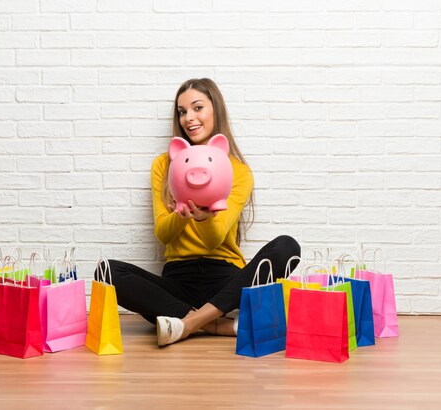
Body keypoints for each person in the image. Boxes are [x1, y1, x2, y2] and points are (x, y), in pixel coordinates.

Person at [101, 78, 301, 346]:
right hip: (178, 283)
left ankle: (189, 323)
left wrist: (206, 218)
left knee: (287, 246)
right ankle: (217, 325)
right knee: (108, 272)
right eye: (182, 112)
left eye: (197, 108)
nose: (189, 118)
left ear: (215, 109)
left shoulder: (238, 171)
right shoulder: (164, 165)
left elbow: (213, 239)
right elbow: (163, 233)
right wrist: (180, 217)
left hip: (225, 281)